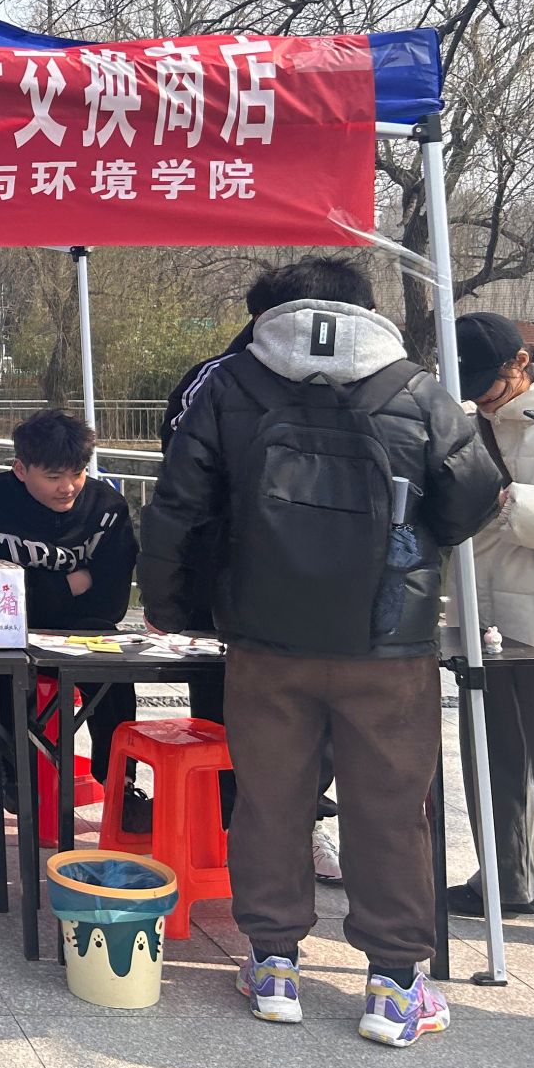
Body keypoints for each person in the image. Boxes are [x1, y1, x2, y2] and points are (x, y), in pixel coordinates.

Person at [140, 256, 501, 1046]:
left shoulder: (231, 385)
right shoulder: (415, 388)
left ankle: (273, 966)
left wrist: (174, 607)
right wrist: (418, 541)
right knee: (390, 809)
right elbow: (476, 492)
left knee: (271, 801)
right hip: (388, 642)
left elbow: (178, 505)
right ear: (363, 310)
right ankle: (394, 986)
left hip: (266, 639)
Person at [163, 264, 342, 879]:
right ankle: (232, 831)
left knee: (320, 713)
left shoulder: (350, 377)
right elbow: (183, 486)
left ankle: (306, 822)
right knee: (232, 714)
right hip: (234, 581)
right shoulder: (217, 379)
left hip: (323, 580)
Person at [447, 311, 534, 958]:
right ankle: (505, 881)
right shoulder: (463, 423)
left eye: (489, 381)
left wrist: (513, 501)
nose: (481, 395)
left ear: (519, 364)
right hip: (479, 616)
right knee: (488, 755)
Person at [0, 409, 147, 832]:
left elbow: (111, 601)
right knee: (2, 670)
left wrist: (34, 587)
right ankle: (13, 769)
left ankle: (120, 783)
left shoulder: (107, 507)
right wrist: (72, 583)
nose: (68, 487)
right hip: (4, 631)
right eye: (54, 476)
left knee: (114, 670)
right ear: (20, 469)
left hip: (84, 629)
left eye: (77, 473)